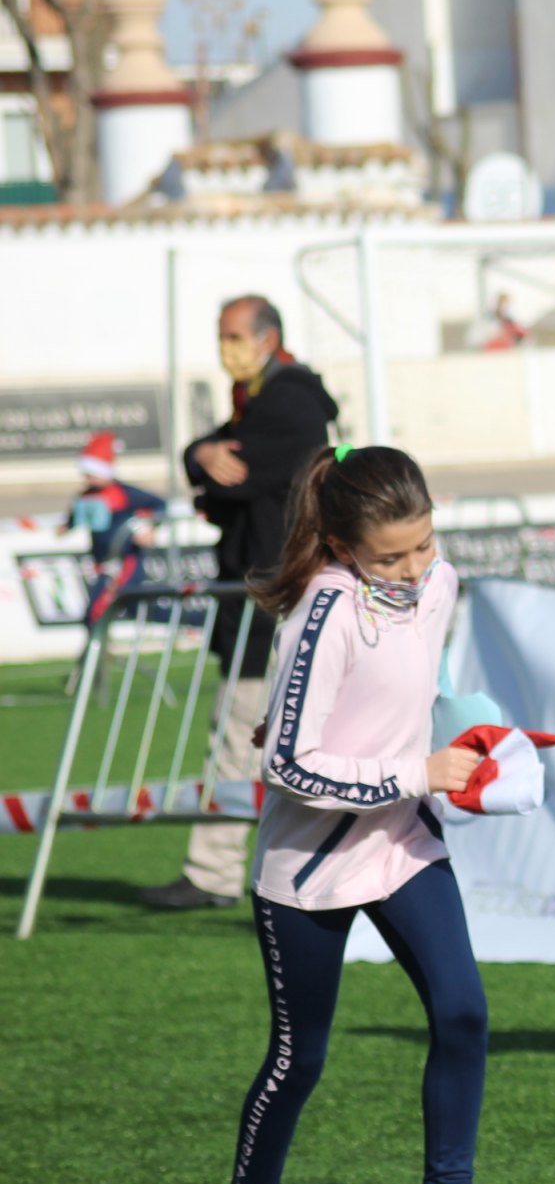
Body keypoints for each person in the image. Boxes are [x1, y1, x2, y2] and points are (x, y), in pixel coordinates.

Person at [202, 445, 535, 1184]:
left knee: (464, 1012)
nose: (414, 569)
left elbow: (411, 703)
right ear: (344, 546)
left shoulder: (443, 584)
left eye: (423, 546)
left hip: (402, 843)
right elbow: (287, 762)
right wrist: (417, 774)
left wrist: (482, 755)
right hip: (308, 866)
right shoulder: (324, 608)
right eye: (391, 557)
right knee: (298, 1059)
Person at [145, 296, 338, 910]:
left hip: (269, 598)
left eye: (233, 334)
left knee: (239, 734)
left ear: (267, 336)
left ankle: (213, 872)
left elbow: (239, 477)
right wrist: (203, 456)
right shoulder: (262, 398)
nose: (225, 345)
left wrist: (206, 466)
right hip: (269, 596)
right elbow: (214, 459)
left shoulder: (285, 401)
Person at [69, 430, 166, 626]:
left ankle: (93, 655)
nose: (87, 479)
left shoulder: (123, 493)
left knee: (98, 611)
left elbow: (159, 505)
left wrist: (146, 527)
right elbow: (73, 519)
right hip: (103, 563)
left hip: (124, 561)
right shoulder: (85, 496)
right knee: (128, 607)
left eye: (91, 473)